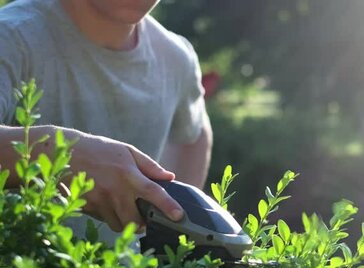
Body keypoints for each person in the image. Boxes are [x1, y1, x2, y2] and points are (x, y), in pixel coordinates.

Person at [0, 0, 214, 245]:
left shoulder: (176, 57)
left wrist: (179, 230)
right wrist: (63, 154)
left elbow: (193, 134)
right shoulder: (10, 37)